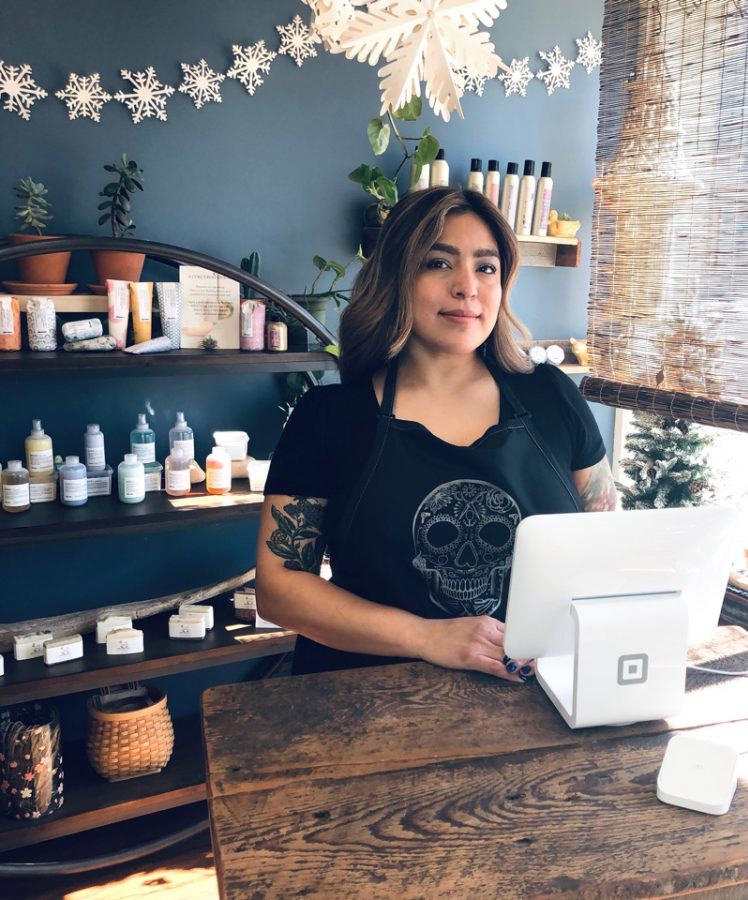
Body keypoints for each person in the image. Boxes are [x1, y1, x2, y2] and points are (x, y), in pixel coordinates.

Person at [256, 186, 617, 684]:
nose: (467, 286)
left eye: (485, 267)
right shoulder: (329, 418)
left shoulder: (552, 396)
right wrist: (426, 636)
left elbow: (605, 537)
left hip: (539, 695)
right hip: (366, 701)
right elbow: (280, 589)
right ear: (396, 277)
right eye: (438, 263)